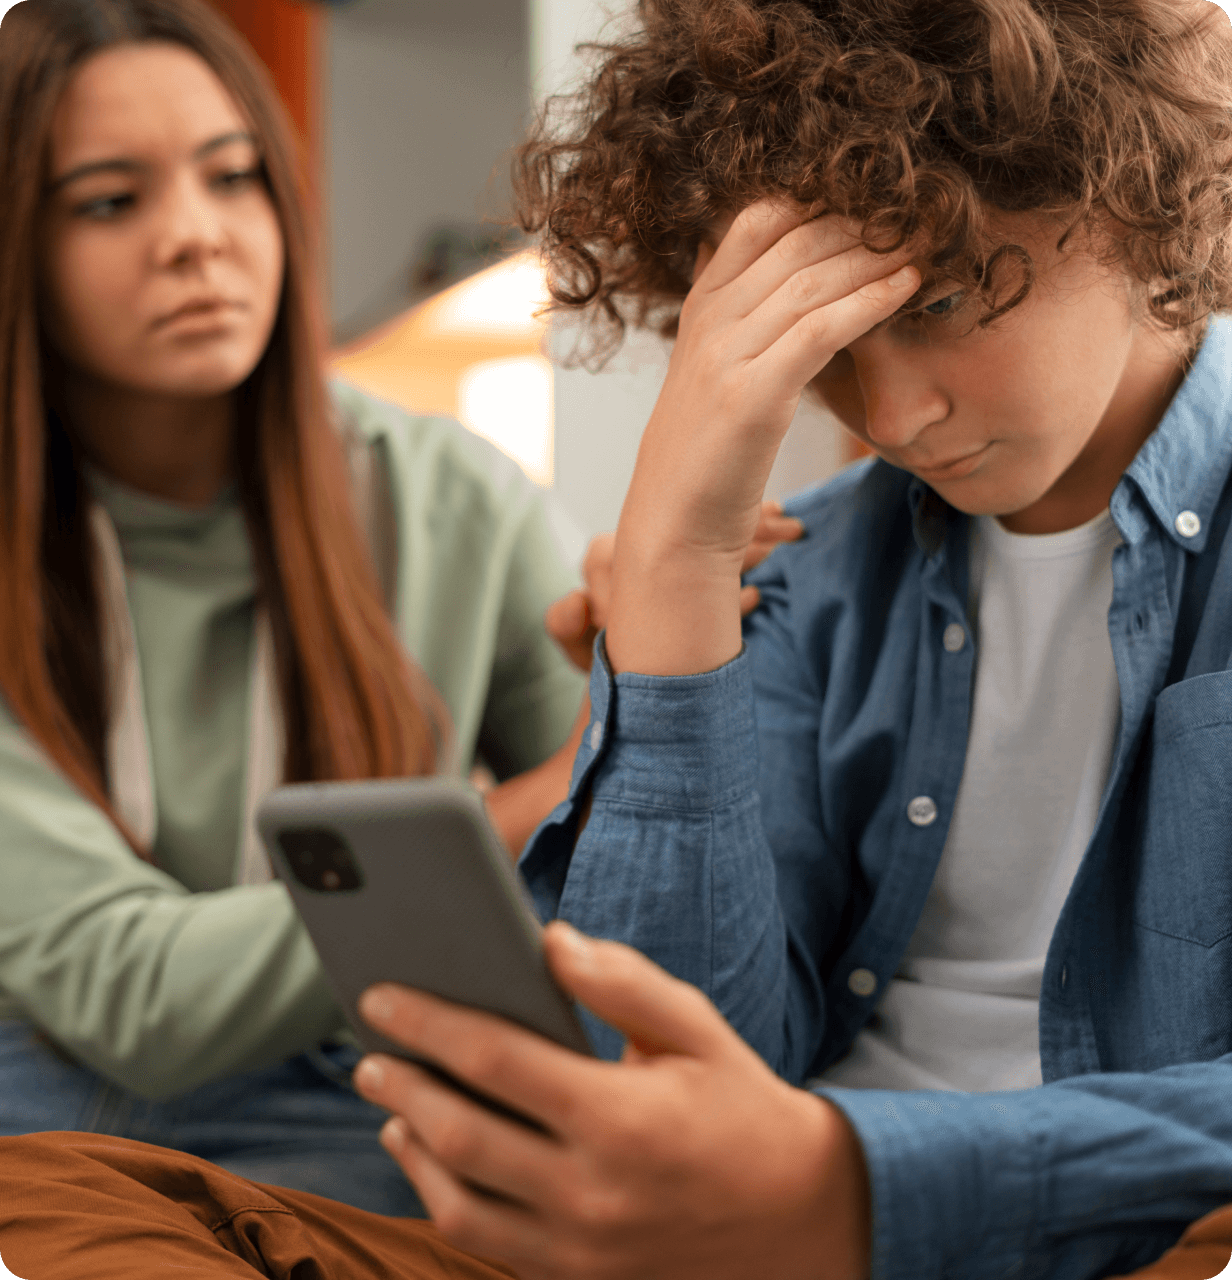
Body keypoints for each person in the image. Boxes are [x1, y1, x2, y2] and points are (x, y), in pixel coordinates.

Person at [3, 0, 1232, 1277]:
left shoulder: (429, 490)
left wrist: (855, 1180)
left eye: (944, 300)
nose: (892, 414)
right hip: (721, 1234)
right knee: (39, 1192)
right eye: (822, 354)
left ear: (1127, 196)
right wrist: (668, 583)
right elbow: (653, 1066)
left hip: (1070, 1227)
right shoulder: (805, 570)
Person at [0, 0, 596, 1217]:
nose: (197, 240)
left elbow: (613, 842)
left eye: (233, 179)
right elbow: (134, 1000)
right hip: (54, 1102)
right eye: (110, 200)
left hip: (377, 1089)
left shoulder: (449, 496)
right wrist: (520, 810)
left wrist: (682, 630)